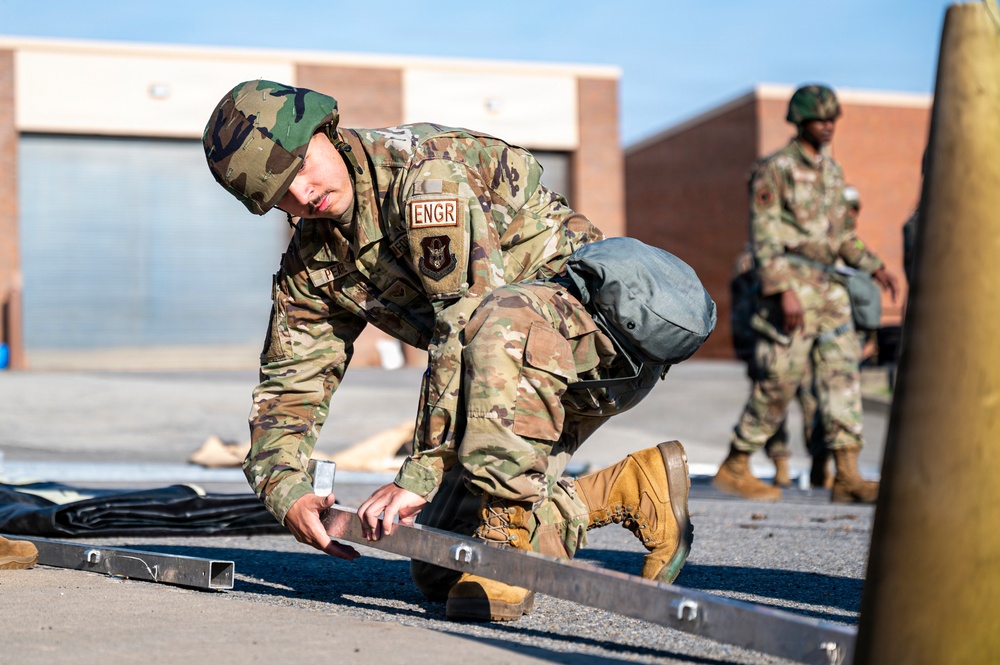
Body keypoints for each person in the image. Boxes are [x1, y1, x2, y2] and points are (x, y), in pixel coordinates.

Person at [202, 80, 700, 622]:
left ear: (327, 129)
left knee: (494, 322)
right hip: (506, 383)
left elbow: (465, 321)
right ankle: (630, 488)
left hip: (600, 346)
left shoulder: (423, 177)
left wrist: (418, 475)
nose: (303, 193)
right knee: (440, 567)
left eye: (300, 166)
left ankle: (507, 547)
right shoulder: (315, 259)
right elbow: (287, 383)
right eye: (280, 195)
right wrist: (288, 490)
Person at [713, 84, 900, 504]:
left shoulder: (833, 173)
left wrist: (875, 266)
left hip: (830, 292)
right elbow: (763, 237)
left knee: (842, 377)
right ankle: (736, 463)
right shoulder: (774, 169)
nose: (829, 125)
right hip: (792, 287)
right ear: (800, 121)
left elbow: (843, 238)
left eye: (834, 118)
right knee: (781, 379)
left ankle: (848, 474)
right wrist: (781, 290)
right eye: (821, 118)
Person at [729, 245, 823, 489]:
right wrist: (746, 348)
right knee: (775, 406)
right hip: (770, 343)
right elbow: (741, 307)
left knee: (812, 403)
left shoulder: (804, 256)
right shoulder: (752, 261)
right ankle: (783, 465)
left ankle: (820, 467)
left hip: (804, 342)